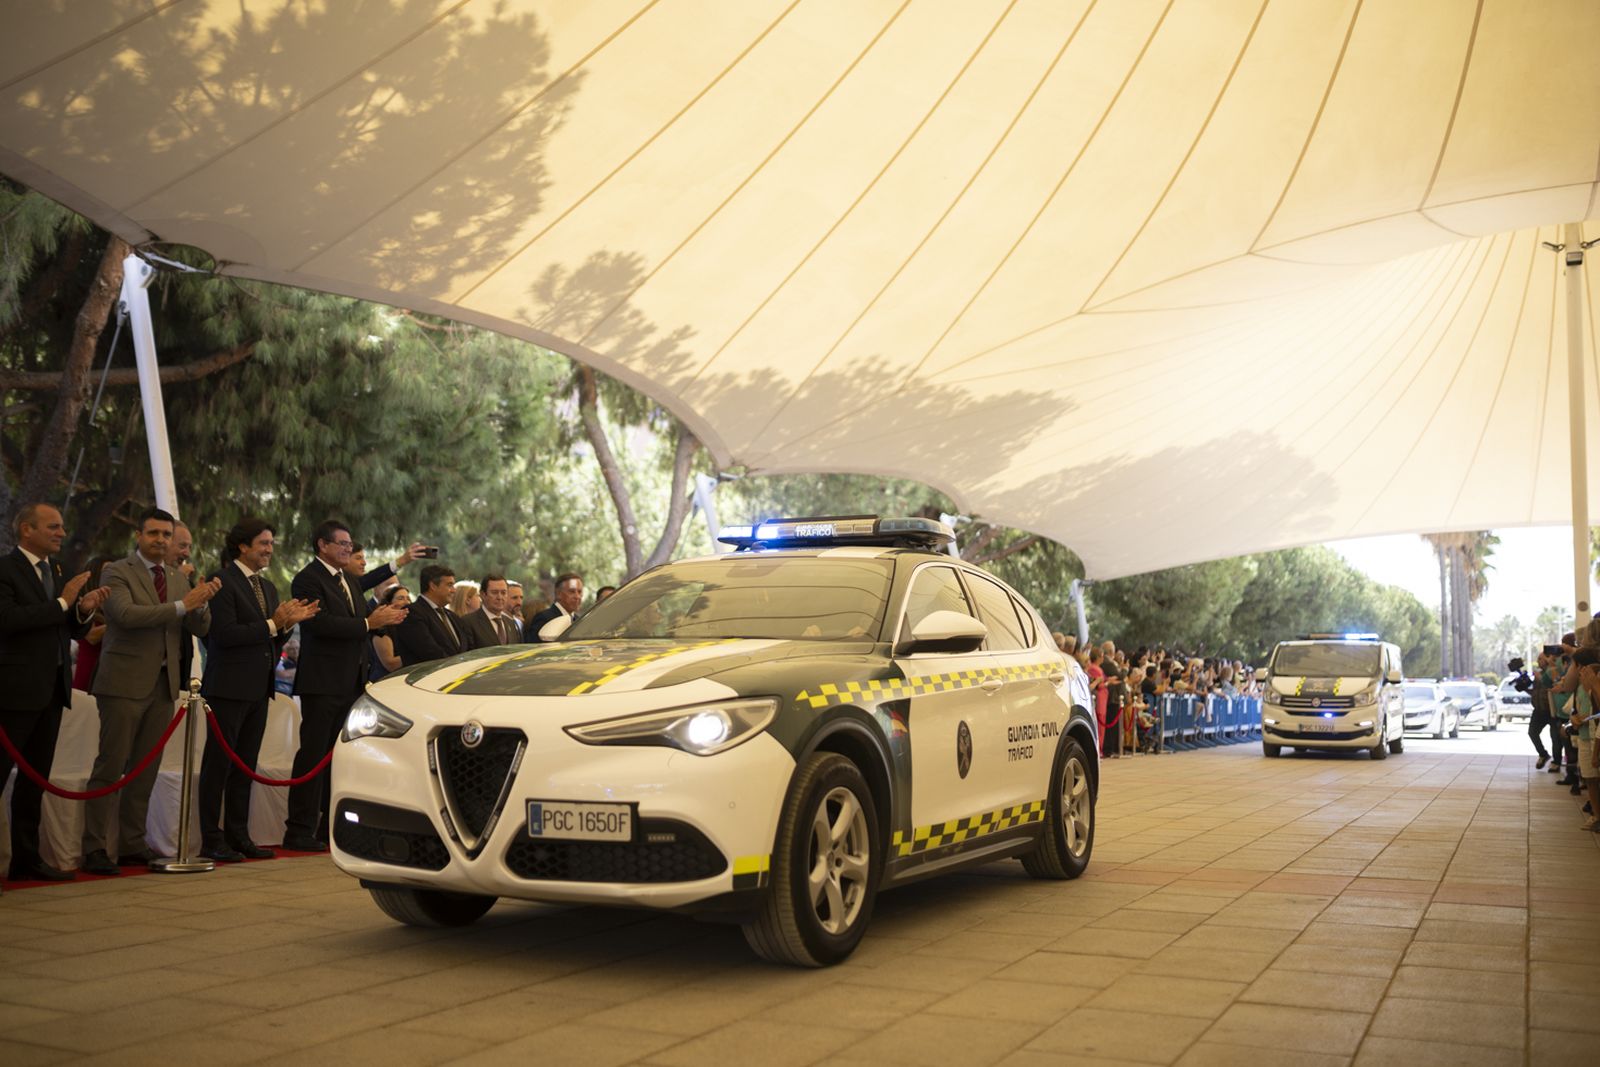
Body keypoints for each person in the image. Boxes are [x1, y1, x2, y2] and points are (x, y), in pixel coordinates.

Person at [80, 508, 219, 874]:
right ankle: (94, 847)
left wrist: (201, 604)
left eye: (165, 534)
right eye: (153, 533)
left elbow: (198, 628)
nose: (160, 540)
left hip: (163, 685)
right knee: (110, 767)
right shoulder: (117, 571)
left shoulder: (176, 577)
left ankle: (131, 843)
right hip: (123, 682)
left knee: (145, 769)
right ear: (138, 536)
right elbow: (125, 616)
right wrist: (181, 605)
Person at [198, 517, 320, 863]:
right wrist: (273, 623)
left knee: (245, 766)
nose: (269, 550)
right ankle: (211, 837)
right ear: (243, 546)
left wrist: (286, 625)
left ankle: (239, 835)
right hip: (227, 686)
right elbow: (223, 636)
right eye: (263, 543)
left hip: (258, 686)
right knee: (218, 766)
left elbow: (271, 639)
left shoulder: (266, 588)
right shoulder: (223, 581)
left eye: (271, 544)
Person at [0, 504, 109, 883]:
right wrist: (63, 603)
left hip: (52, 690)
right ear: (26, 529)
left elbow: (69, 632)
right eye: (53, 526)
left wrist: (82, 610)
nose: (62, 533)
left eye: (63, 526)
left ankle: (26, 860)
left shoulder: (58, 571)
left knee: (35, 781)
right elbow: (9, 621)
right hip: (14, 692)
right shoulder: (5, 569)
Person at [286, 520, 407, 851]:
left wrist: (400, 562)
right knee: (313, 755)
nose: (348, 549)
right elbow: (320, 624)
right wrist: (370, 623)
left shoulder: (348, 581)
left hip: (351, 681)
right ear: (322, 545)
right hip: (322, 681)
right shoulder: (308, 579)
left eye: (350, 544)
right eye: (342, 544)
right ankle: (298, 829)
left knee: (338, 759)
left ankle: (329, 826)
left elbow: (368, 584)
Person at [393, 565, 465, 666]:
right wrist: (456, 665)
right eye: (449, 585)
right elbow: (429, 651)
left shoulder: (453, 616)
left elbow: (465, 648)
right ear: (433, 586)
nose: (454, 590)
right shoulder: (411, 613)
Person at [70, 555, 114, 691]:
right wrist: (122, 622)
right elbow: (91, 637)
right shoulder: (85, 605)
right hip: (89, 676)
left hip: (110, 678)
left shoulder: (113, 607)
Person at [458, 574, 517, 649]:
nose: (500, 597)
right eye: (494, 592)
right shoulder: (468, 622)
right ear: (483, 594)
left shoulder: (510, 623)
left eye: (503, 593)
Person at [369, 585, 410, 682]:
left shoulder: (409, 625)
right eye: (401, 598)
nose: (406, 602)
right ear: (389, 603)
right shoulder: (382, 628)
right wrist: (417, 653)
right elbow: (390, 664)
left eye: (408, 598)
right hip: (386, 681)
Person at [526, 572, 583, 642]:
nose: (577, 596)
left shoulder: (580, 621)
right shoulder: (544, 618)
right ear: (558, 593)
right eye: (572, 591)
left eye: (579, 592)